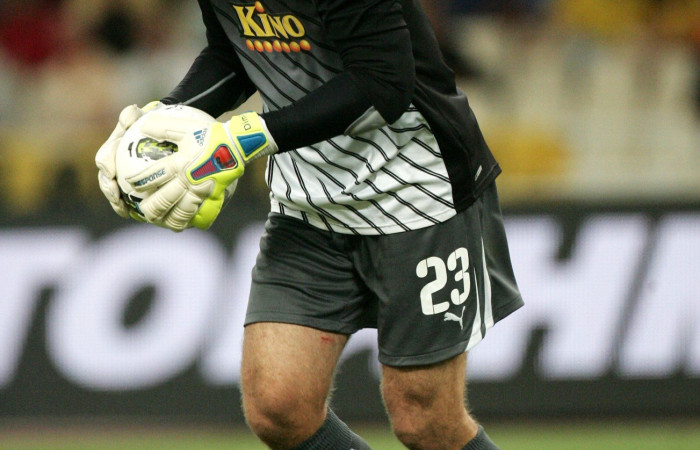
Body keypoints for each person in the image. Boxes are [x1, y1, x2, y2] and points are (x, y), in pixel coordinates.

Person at [95, 0, 524, 448]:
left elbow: (384, 82)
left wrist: (242, 138)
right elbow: (234, 52)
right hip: (307, 203)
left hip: (417, 192)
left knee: (425, 420)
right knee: (278, 406)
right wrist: (160, 122)